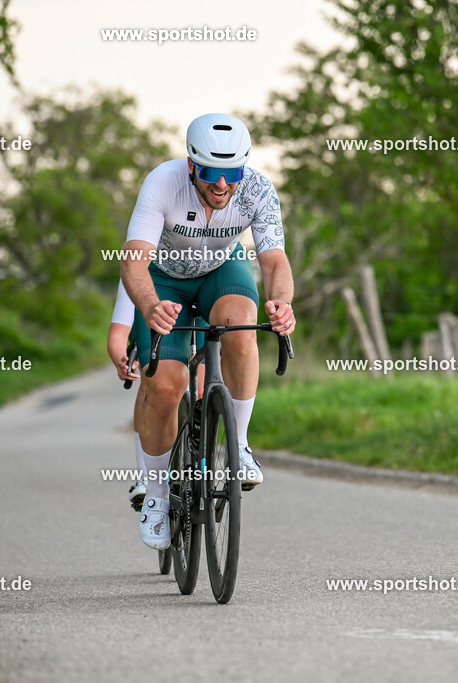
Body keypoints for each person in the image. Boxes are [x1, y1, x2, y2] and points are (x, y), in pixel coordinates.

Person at [119, 113, 296, 550]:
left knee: (241, 328)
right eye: (212, 175)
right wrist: (149, 306)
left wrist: (281, 302)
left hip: (221, 270)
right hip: (163, 281)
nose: (222, 185)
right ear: (192, 165)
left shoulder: (256, 189)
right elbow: (134, 260)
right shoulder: (163, 182)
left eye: (231, 173)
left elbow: (273, 261)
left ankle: (238, 446)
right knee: (166, 386)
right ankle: (158, 498)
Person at [106, 282, 206, 513]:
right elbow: (118, 333)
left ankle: (205, 460)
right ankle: (146, 477)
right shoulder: (142, 267)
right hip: (157, 316)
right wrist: (122, 360)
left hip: (202, 311)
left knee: (203, 386)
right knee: (154, 379)